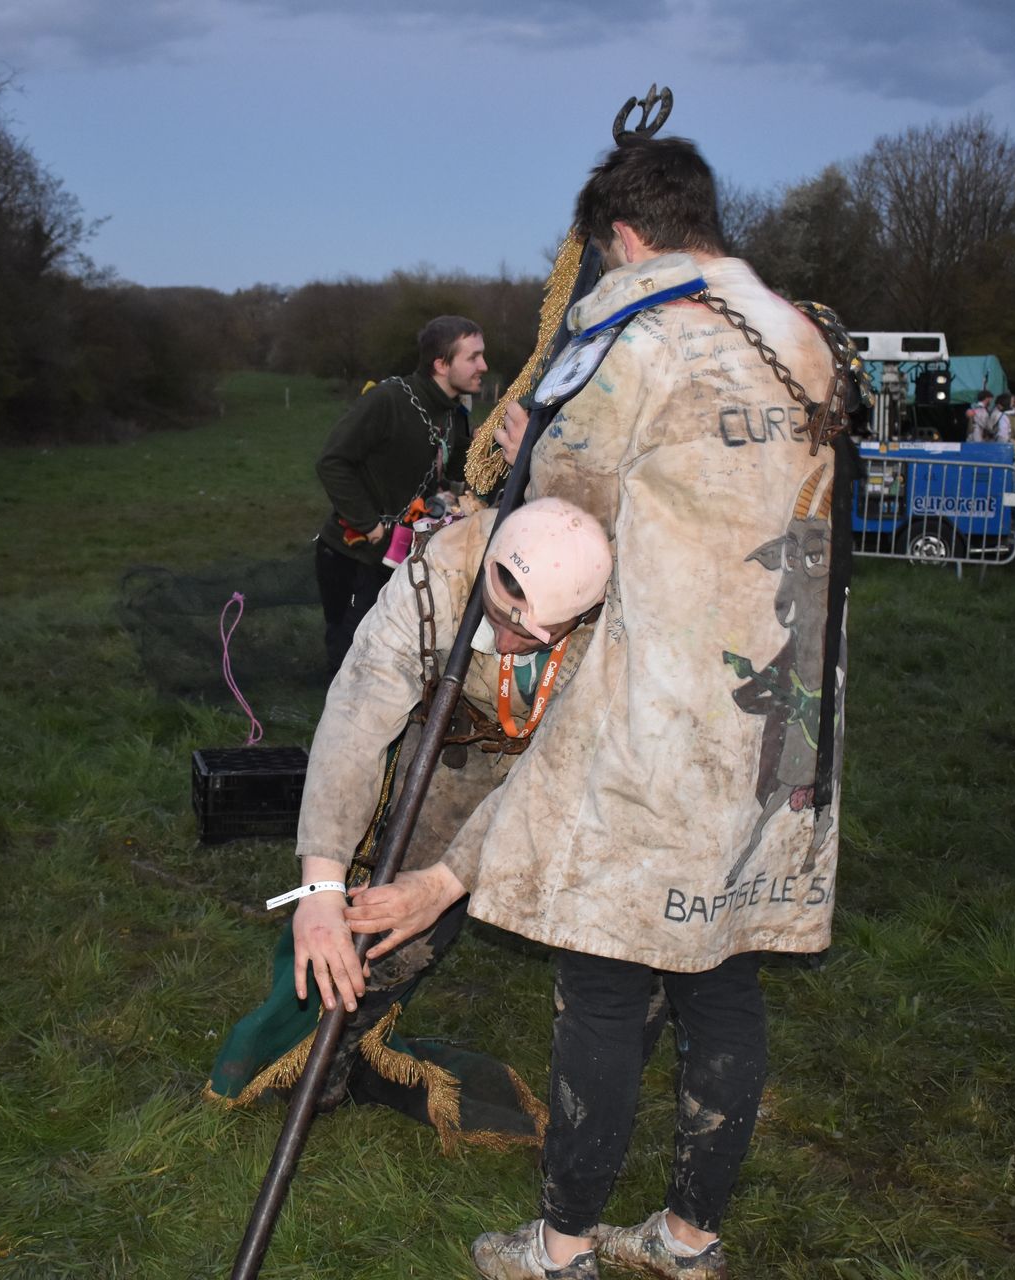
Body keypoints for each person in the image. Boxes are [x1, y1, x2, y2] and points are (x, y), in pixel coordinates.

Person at [350, 136, 850, 1280]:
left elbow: (564, 533)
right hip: (784, 711)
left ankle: (563, 1243)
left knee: (606, 977)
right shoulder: (800, 339)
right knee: (724, 970)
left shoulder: (636, 339)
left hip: (660, 715)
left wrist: (525, 449)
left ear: (623, 238)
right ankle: (687, 1237)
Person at [210, 500, 612, 1149]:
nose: (509, 642)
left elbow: (556, 779)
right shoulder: (436, 577)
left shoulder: (621, 631)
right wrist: (320, 885)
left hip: (581, 775)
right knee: (392, 915)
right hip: (458, 743)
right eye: (499, 619)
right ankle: (336, 1051)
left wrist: (445, 883)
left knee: (607, 949)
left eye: (535, 635)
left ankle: (607, 1087)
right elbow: (356, 720)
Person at [314, 316, 486, 673]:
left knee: (395, 657)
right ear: (441, 364)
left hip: (403, 559)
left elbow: (458, 474)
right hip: (354, 557)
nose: (483, 366)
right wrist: (370, 526)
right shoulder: (388, 400)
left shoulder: (454, 413)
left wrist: (489, 448)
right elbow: (332, 462)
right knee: (352, 661)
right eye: (473, 357)